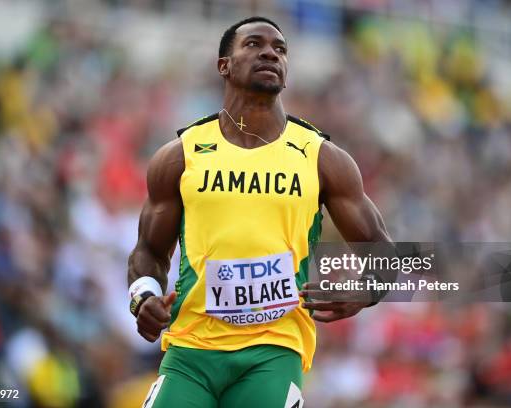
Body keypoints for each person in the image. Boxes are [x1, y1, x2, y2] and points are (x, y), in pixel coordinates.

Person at [127, 16, 392, 408]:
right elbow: (148, 251)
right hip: (191, 348)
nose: (270, 52)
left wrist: (366, 290)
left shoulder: (321, 158)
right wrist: (143, 296)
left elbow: (382, 249)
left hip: (273, 348)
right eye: (253, 44)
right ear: (224, 65)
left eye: (280, 49)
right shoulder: (180, 156)